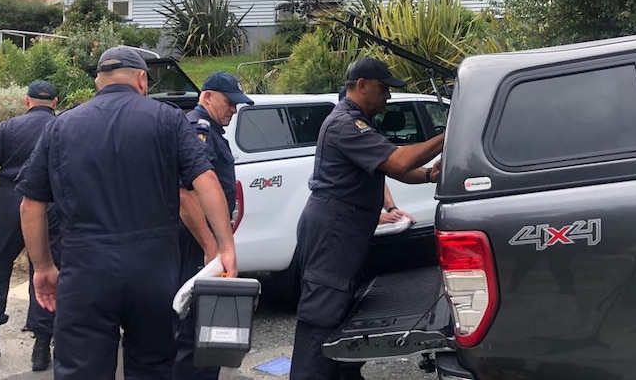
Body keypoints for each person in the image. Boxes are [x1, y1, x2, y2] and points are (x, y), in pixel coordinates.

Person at [16, 46, 237, 380]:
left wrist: (44, 267)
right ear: (142, 80)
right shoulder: (168, 118)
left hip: (85, 271)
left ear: (97, 82)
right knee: (152, 366)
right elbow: (204, 180)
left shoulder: (61, 127)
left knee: (81, 370)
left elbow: (30, 204)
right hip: (153, 271)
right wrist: (225, 247)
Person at [291, 57, 444, 380]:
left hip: (346, 230)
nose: (387, 97)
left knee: (345, 312)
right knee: (322, 315)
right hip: (332, 233)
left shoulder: (360, 122)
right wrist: (449, 135)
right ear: (361, 85)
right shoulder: (345, 124)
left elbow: (387, 169)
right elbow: (397, 163)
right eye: (383, 89)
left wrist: (430, 175)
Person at [0, 80, 61, 372]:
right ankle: (42, 348)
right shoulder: (65, 127)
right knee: (46, 271)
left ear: (27, 101)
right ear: (55, 102)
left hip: (11, 200)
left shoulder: (8, 127)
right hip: (53, 204)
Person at [175, 71, 254, 380]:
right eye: (229, 102)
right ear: (207, 97)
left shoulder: (210, 130)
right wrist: (211, 245)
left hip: (201, 240)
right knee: (194, 326)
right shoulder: (200, 130)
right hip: (195, 241)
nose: (233, 110)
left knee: (204, 324)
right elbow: (188, 194)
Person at [337, 87, 416, 228]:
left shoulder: (362, 125)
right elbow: (398, 163)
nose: (387, 97)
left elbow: (375, 173)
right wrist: (444, 140)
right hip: (339, 227)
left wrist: (392, 209)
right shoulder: (348, 128)